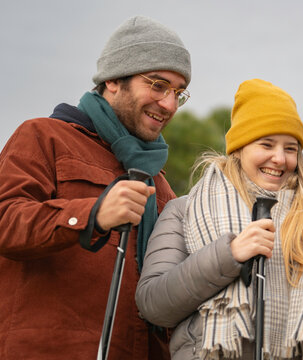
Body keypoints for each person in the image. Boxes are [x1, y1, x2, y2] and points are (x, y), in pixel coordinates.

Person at [135, 79, 303, 359]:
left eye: (290, 148)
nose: (279, 159)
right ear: (239, 148)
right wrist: (229, 254)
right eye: (266, 144)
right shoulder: (184, 210)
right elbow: (154, 304)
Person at [0, 16, 191, 359]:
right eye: (158, 85)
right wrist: (92, 213)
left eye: (179, 92)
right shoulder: (43, 137)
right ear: (115, 79)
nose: (170, 104)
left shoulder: (160, 188)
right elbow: (5, 222)